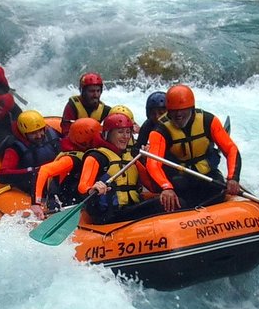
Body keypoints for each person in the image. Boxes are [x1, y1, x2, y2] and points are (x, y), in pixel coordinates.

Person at [145, 84, 241, 213]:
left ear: (192, 108)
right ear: (169, 111)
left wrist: (233, 178)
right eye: (173, 111)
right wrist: (166, 187)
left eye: (182, 110)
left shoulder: (208, 121)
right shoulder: (160, 130)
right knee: (180, 186)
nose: (178, 115)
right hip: (180, 177)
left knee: (217, 186)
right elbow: (153, 163)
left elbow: (231, 149)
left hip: (207, 175)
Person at [78, 113, 163, 225]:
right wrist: (92, 189)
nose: (126, 136)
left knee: (168, 201)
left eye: (128, 132)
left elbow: (152, 187)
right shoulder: (96, 157)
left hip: (130, 209)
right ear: (108, 134)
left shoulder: (131, 158)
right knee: (159, 205)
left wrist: (147, 161)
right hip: (110, 215)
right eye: (120, 132)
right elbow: (82, 187)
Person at [29, 118, 107, 220]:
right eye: (98, 136)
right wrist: (36, 203)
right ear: (86, 141)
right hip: (62, 203)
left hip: (79, 199)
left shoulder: (95, 155)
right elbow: (42, 171)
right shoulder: (71, 159)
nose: (101, 139)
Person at [0, 110, 61, 194]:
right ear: (24, 134)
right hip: (34, 185)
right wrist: (32, 172)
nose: (39, 135)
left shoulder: (51, 133)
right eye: (33, 133)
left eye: (40, 130)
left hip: (56, 176)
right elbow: (2, 175)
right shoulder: (15, 148)